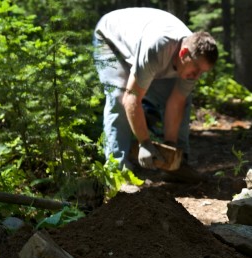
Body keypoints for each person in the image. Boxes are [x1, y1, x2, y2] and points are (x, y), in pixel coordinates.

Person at [93, 8, 218, 174]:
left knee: (183, 98)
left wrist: (171, 147)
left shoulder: (192, 58)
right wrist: (144, 142)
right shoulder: (157, 47)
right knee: (119, 96)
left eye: (202, 72)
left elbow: (176, 102)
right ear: (183, 53)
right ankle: (117, 169)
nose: (196, 76)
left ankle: (177, 164)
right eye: (195, 68)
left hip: (145, 45)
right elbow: (131, 97)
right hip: (110, 39)